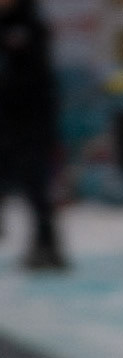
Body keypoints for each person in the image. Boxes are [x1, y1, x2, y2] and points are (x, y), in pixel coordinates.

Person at [0, 0, 66, 271]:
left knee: (36, 185)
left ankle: (47, 245)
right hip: (6, 120)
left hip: (31, 120)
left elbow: (39, 79)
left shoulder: (31, 25)